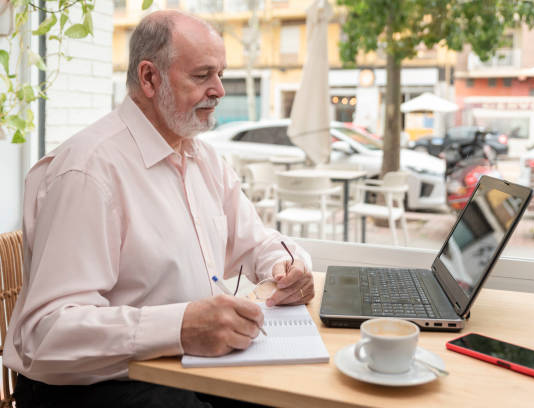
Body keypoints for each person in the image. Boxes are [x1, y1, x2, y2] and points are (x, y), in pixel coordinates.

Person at [5, 10, 315, 408]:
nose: (220, 89)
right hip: (93, 386)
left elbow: (257, 243)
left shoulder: (204, 161)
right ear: (150, 78)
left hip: (180, 366)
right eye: (202, 75)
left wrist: (287, 266)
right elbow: (44, 334)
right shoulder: (88, 171)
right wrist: (181, 327)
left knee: (290, 397)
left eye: (220, 73)